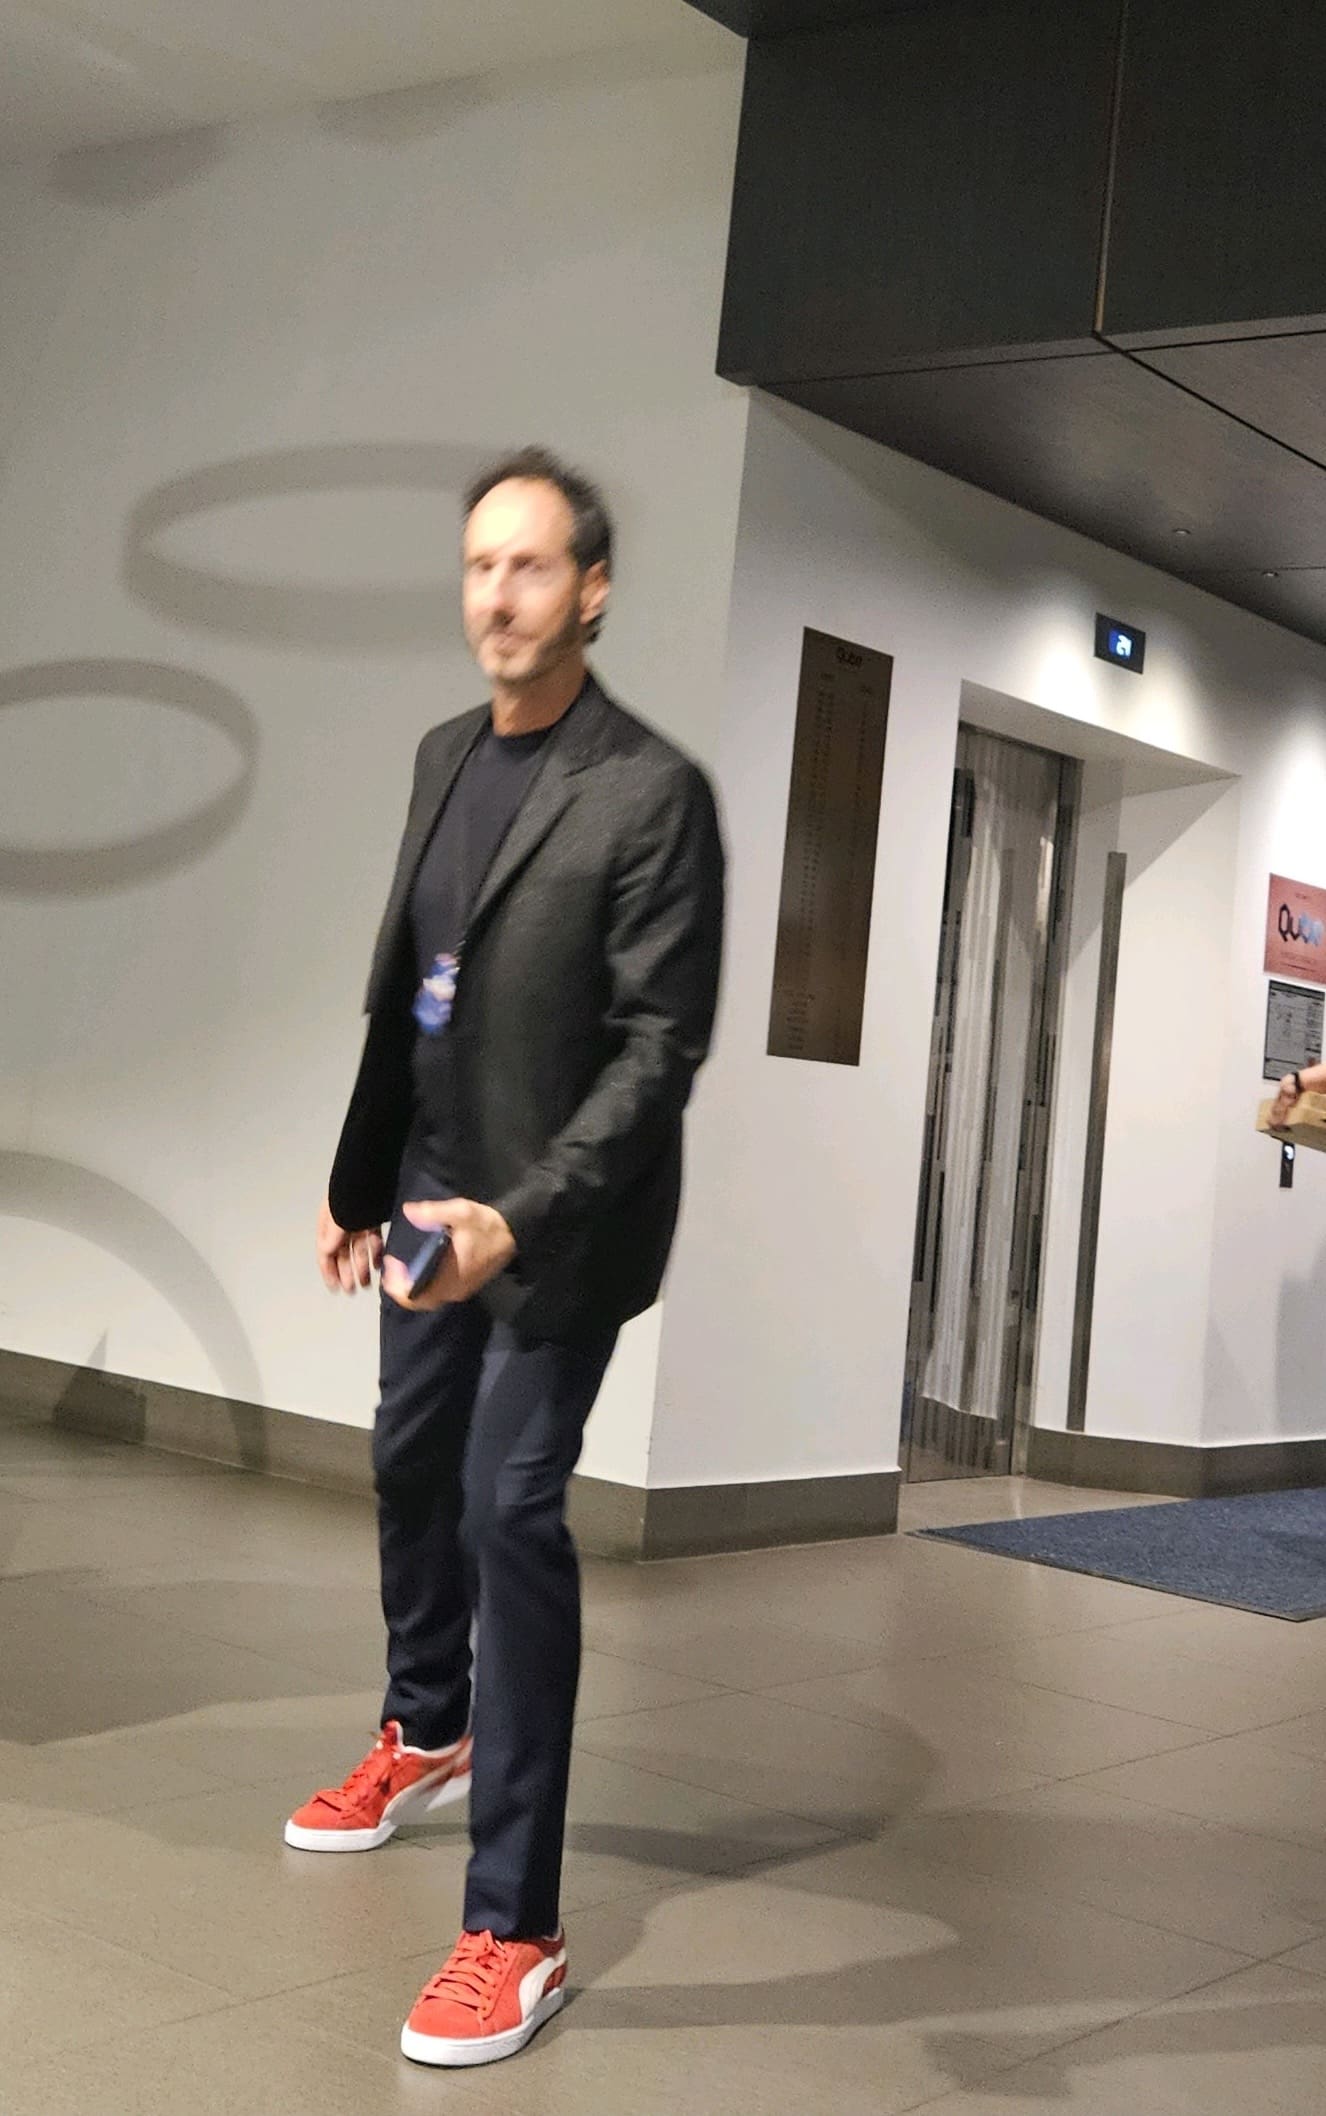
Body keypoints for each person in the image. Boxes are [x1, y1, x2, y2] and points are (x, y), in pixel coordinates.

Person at [283, 447, 725, 2068]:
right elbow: (410, 981)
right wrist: (355, 1179)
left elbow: (659, 1051)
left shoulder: (649, 789)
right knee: (409, 1470)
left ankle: (514, 1928)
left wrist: (516, 1217)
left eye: (531, 567)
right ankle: (426, 1726)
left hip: (557, 1230)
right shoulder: (440, 755)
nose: (497, 596)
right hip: (423, 1193)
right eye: (479, 566)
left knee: (505, 1503)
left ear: (591, 589)